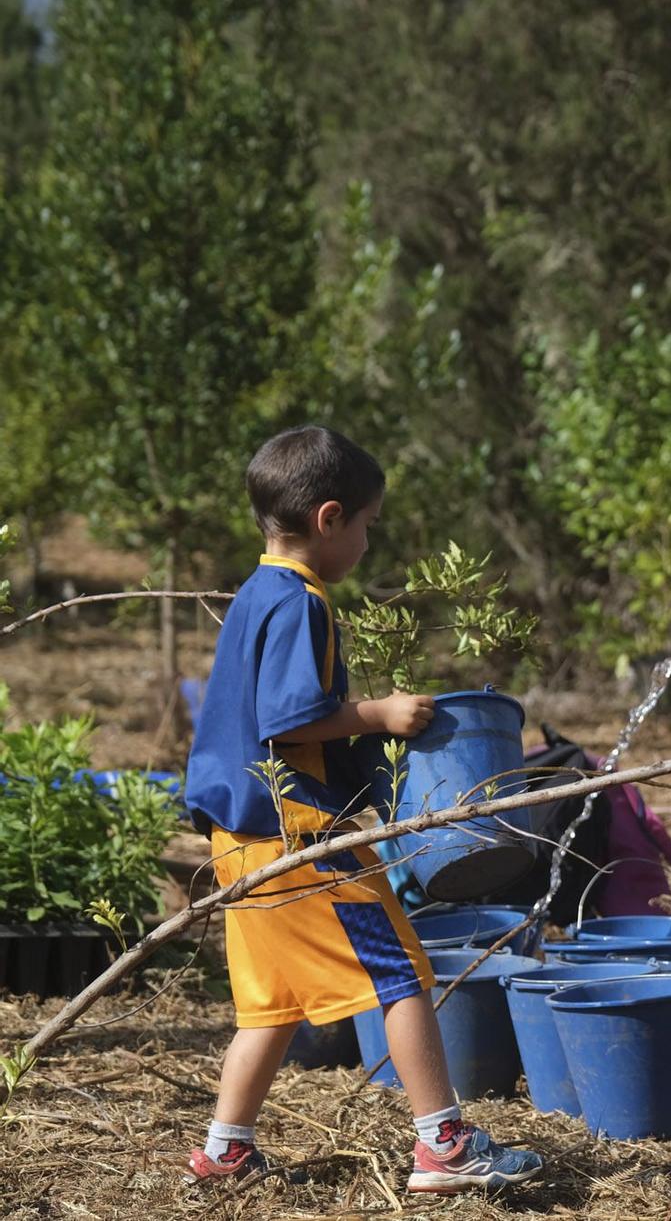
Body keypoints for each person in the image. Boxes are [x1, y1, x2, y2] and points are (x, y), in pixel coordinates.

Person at [182, 426, 543, 1195]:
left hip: (241, 835)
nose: (370, 542)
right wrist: (377, 714)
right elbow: (290, 716)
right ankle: (443, 1146)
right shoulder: (301, 602)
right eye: (370, 526)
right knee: (403, 974)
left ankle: (225, 1151)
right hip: (300, 836)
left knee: (270, 1004)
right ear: (330, 518)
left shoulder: (254, 594)